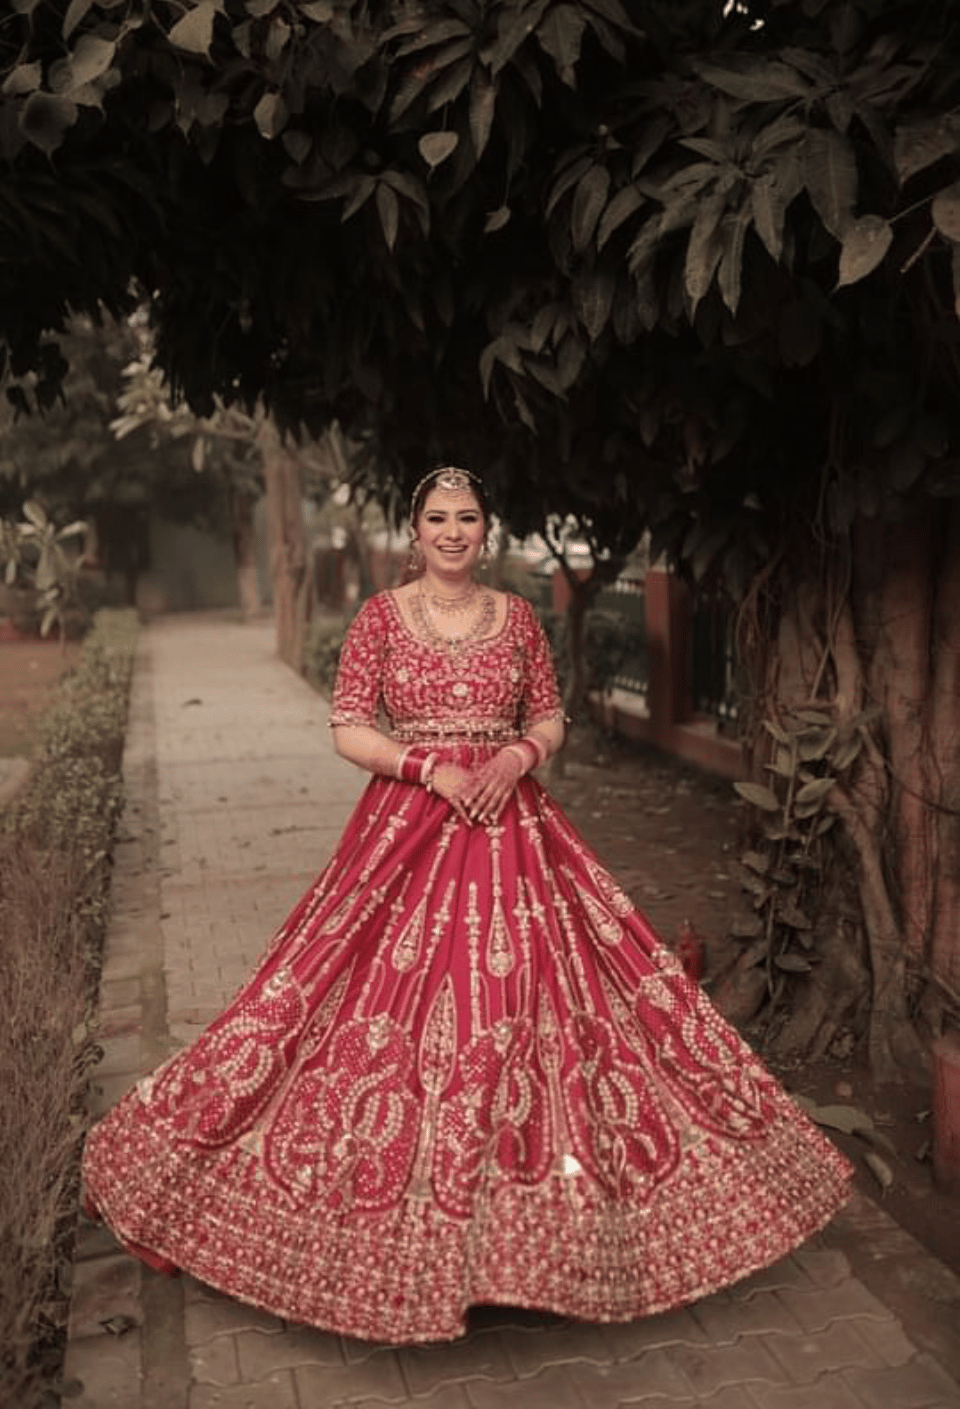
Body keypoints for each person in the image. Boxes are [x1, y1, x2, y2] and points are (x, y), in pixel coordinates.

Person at [83, 465, 852, 1344]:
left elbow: (552, 717)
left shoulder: (517, 617)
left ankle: (515, 1246)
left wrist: (516, 760)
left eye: (469, 517)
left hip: (514, 831)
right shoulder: (380, 617)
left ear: (486, 530)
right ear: (414, 531)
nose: (453, 531)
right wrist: (431, 769)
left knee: (526, 1015)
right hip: (404, 831)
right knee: (331, 1002)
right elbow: (346, 727)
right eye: (437, 518)